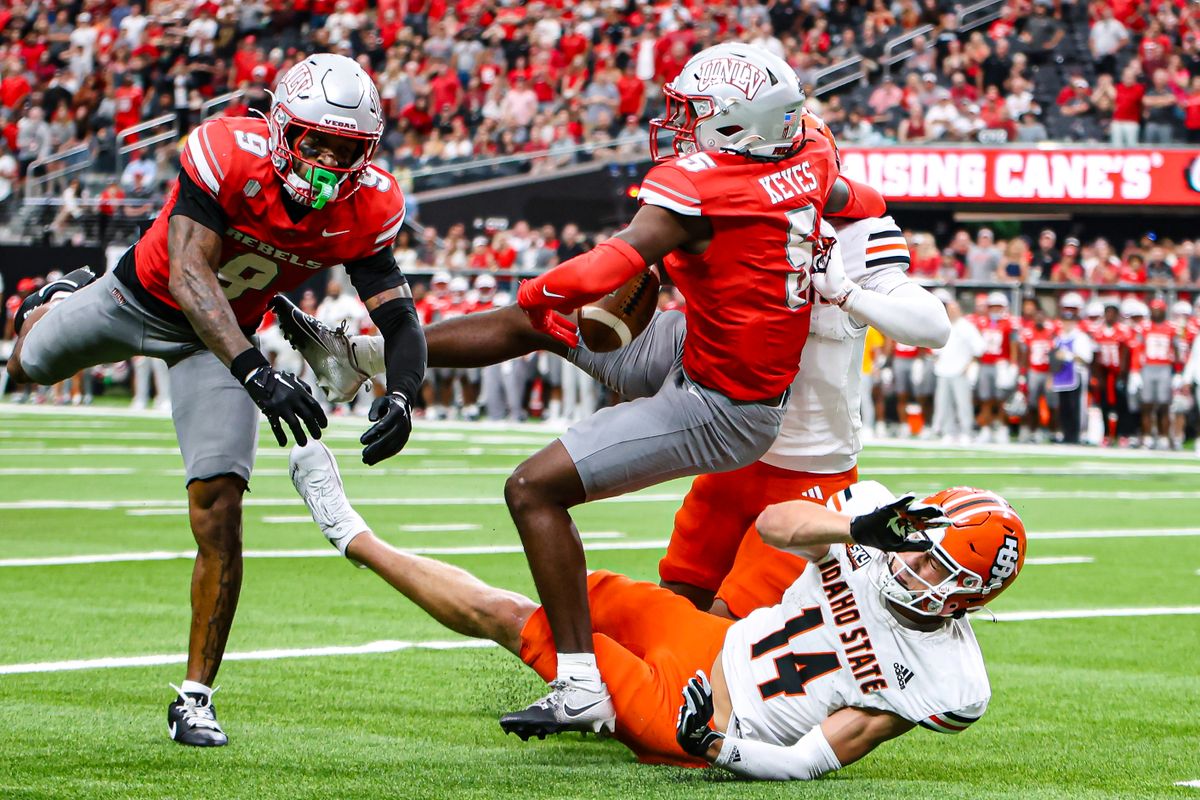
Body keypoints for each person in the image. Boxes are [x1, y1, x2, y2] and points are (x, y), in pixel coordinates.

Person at [271, 43, 885, 738]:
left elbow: (611, 264)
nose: (679, 125)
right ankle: (359, 360)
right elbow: (863, 200)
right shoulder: (808, 154)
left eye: (694, 113)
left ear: (738, 125)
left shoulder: (705, 187)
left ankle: (580, 681)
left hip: (726, 407)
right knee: (532, 328)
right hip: (706, 351)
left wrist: (539, 292)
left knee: (533, 487)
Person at [4, 54, 426, 747]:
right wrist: (257, 373)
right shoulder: (231, 150)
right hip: (133, 300)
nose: (326, 160)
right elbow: (189, 271)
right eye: (315, 141)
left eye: (344, 148)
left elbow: (400, 317)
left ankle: (195, 696)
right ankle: (46, 307)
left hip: (217, 345)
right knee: (28, 365)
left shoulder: (368, 202)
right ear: (283, 128)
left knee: (221, 504)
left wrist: (404, 394)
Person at [289, 439, 1025, 778]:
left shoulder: (943, 680)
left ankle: (351, 535)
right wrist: (857, 529)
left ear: (967, 594)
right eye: (919, 544)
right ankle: (590, 703)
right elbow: (776, 525)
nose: (912, 563)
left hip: (699, 711)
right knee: (571, 598)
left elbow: (810, 762)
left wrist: (715, 746)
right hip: (709, 637)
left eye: (935, 565)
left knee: (511, 619)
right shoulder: (874, 532)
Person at [932, 298, 984, 444]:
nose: (952, 312)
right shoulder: (943, 325)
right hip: (943, 370)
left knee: (963, 404)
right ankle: (948, 431)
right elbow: (935, 348)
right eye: (950, 309)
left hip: (960, 371)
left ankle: (967, 432)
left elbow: (980, 347)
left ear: (959, 310)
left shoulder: (967, 327)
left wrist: (970, 364)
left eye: (954, 309)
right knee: (944, 404)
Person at [1050, 293, 1095, 444]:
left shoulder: (1080, 337)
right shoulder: (1058, 337)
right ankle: (1066, 433)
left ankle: (1076, 434)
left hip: (1076, 374)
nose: (1067, 324)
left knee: (1076, 406)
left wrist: (1068, 356)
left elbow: (1086, 358)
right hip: (1061, 376)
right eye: (1065, 320)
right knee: (1063, 407)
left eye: (1070, 321)